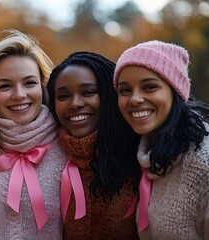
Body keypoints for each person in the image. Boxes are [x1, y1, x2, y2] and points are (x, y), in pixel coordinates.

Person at [114, 40, 209, 239]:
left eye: (149, 87)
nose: (135, 99)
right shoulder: (144, 156)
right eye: (125, 90)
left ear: (175, 92)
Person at [0, 29, 67, 239]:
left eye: (29, 83)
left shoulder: (67, 148)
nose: (19, 95)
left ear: (43, 85)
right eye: (5, 86)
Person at [46, 51, 140, 239]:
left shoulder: (140, 157)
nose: (75, 104)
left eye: (88, 92)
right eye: (63, 96)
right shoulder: (52, 160)